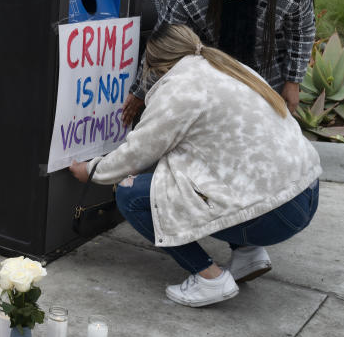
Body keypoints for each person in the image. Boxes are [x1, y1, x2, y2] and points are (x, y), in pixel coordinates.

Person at [70, 24, 321, 308]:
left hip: (275, 212)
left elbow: (137, 153)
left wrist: (92, 170)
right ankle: (248, 255)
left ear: (151, 65)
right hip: (305, 191)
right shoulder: (226, 66)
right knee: (205, 173)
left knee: (132, 194)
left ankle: (209, 278)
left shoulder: (179, 90)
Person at [122, 0, 315, 127]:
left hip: (266, 75)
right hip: (210, 75)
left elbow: (302, 31)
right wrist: (141, 91)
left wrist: (293, 80)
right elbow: (166, 36)